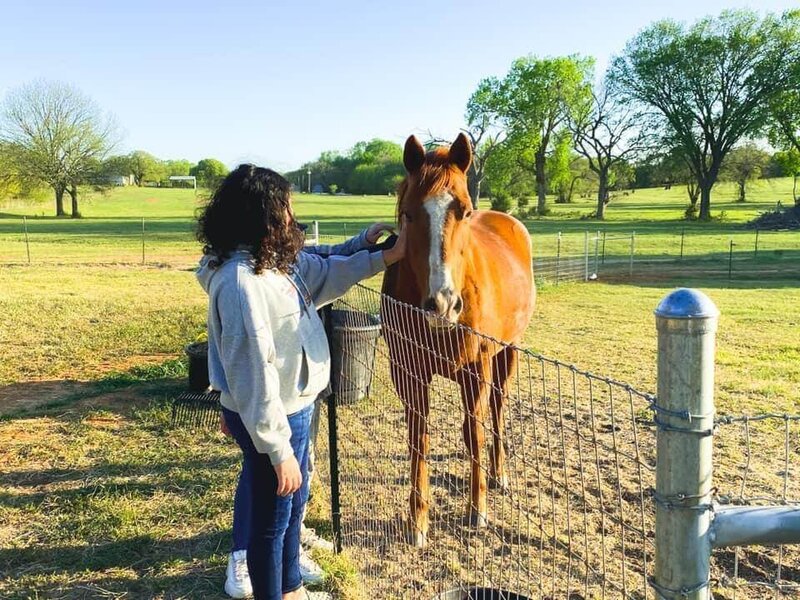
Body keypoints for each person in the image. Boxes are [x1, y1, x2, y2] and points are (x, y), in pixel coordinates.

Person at [196, 164, 406, 600]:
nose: (293, 216)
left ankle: (291, 589)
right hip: (274, 416)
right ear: (264, 214)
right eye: (285, 208)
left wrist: (377, 253)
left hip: (295, 404)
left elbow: (325, 267)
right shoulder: (242, 283)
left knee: (291, 511)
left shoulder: (272, 262)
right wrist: (276, 449)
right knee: (271, 524)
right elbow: (252, 374)